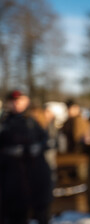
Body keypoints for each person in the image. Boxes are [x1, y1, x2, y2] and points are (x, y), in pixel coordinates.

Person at [0, 90, 53, 224]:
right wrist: (8, 152)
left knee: (41, 212)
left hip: (35, 177)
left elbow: (47, 140)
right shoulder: (4, 123)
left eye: (20, 100)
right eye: (13, 101)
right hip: (11, 180)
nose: (16, 104)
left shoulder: (33, 120)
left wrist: (37, 147)